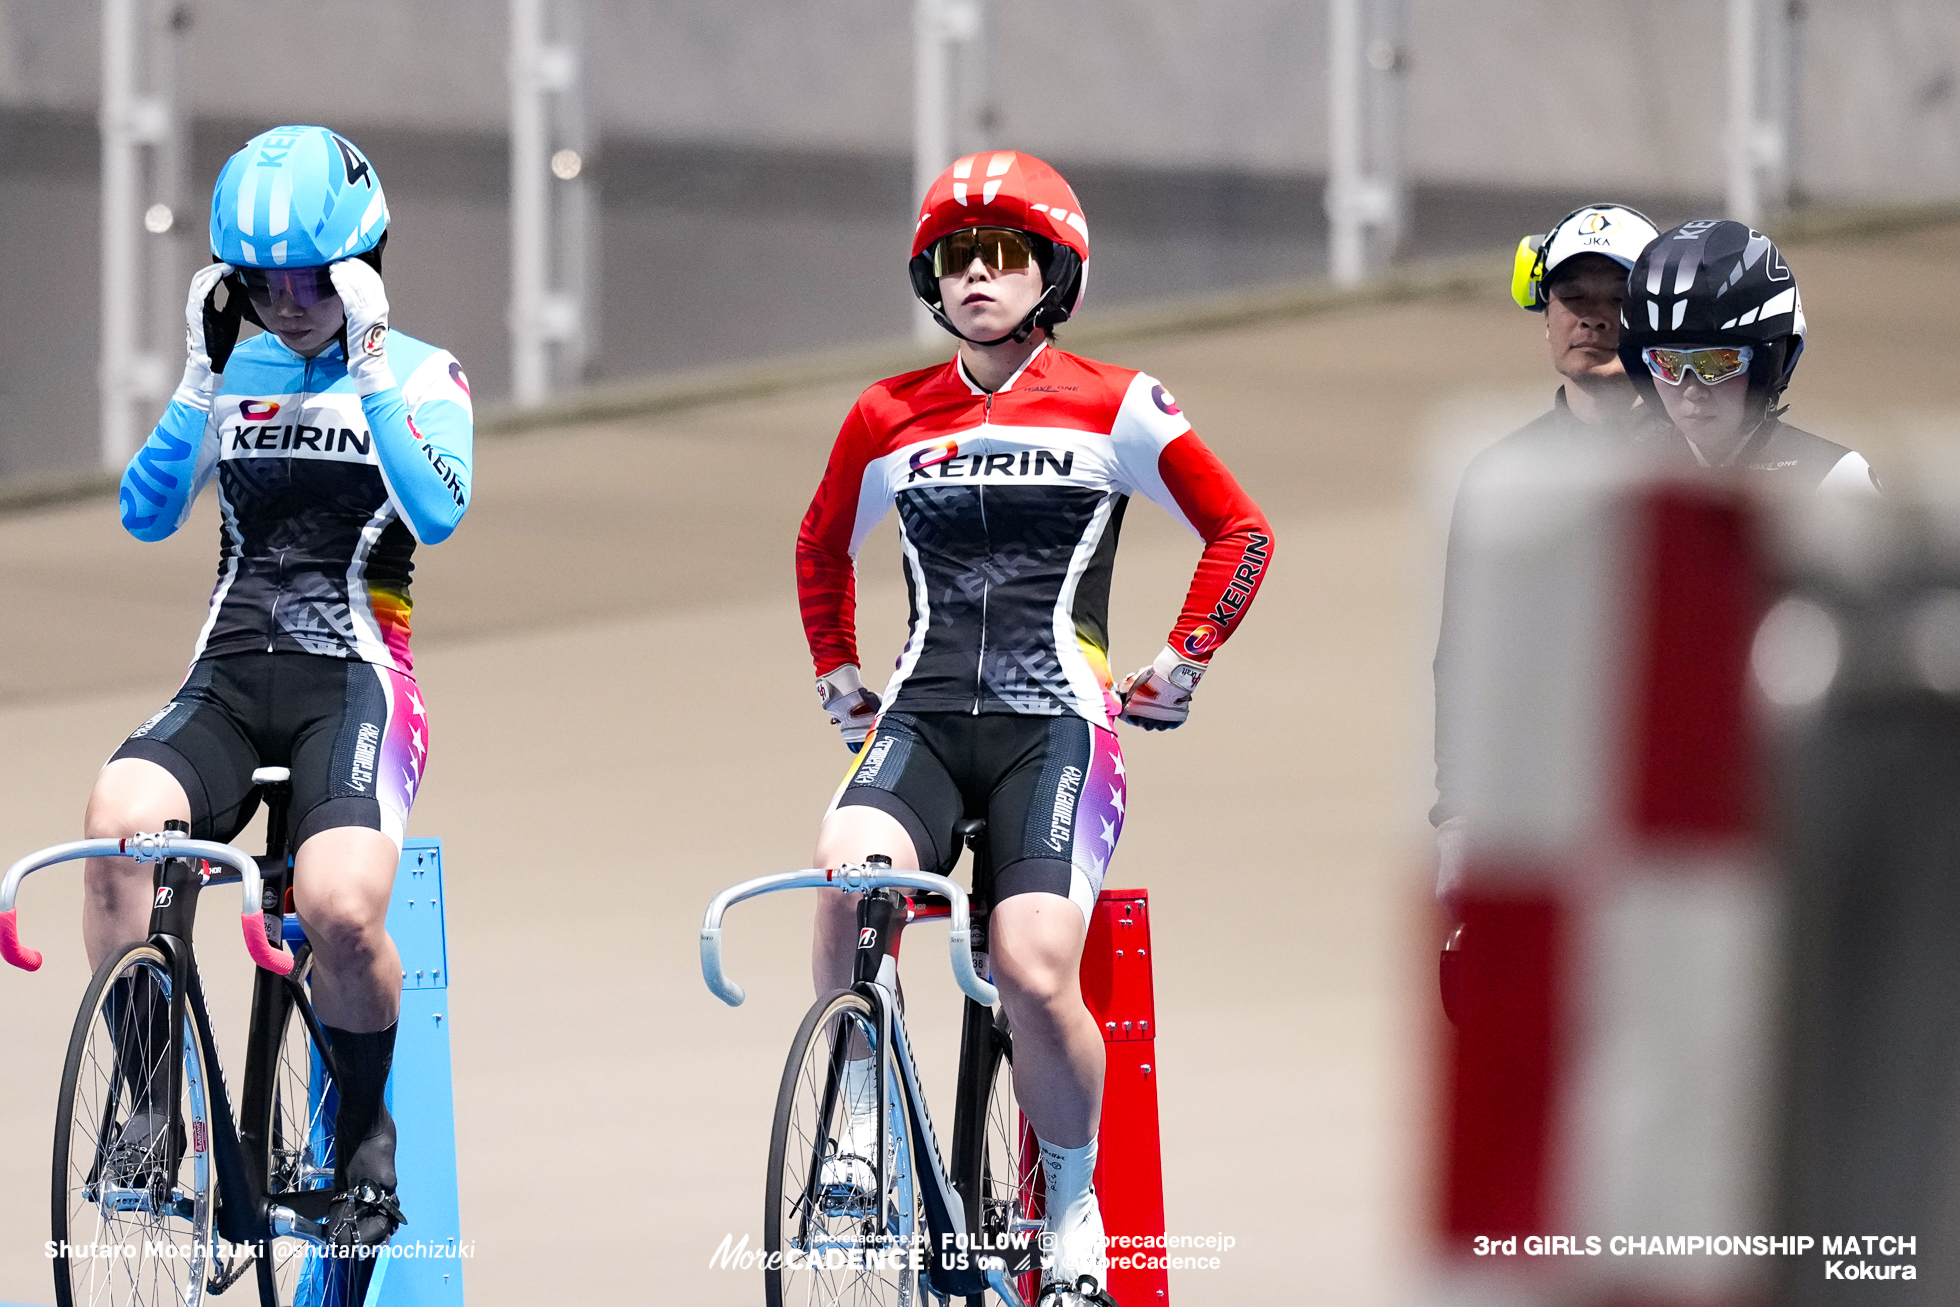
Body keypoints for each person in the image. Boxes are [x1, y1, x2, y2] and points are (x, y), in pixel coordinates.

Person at [795, 150, 1272, 1304]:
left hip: (1054, 726)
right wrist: (836, 670)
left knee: (1030, 963)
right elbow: (819, 545)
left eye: (1004, 256)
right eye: (956, 257)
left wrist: (1183, 659)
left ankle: (1070, 1203)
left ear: (1053, 272)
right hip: (918, 717)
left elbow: (1240, 530)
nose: (977, 277)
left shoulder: (1118, 402)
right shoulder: (884, 412)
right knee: (844, 873)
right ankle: (855, 1119)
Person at [85, 125, 472, 1257]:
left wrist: (367, 368)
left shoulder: (421, 372)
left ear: (363, 262)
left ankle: (364, 1130)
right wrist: (200, 380)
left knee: (340, 904)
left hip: (355, 687)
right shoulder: (236, 371)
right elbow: (145, 512)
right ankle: (154, 1105)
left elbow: (438, 509)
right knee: (115, 822)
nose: (290, 301)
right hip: (225, 677)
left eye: (312, 277)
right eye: (265, 282)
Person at [1431, 205, 1660, 885]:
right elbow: (1463, 660)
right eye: (1573, 297)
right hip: (1532, 814)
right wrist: (1458, 817)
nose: (1592, 318)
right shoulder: (1501, 476)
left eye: (1618, 299)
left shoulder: (1701, 467)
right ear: (1545, 308)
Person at [1617, 218, 1878, 492]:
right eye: (1667, 362)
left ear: (1771, 363)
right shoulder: (1617, 478)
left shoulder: (1835, 479)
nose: (1692, 389)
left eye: (1717, 363)